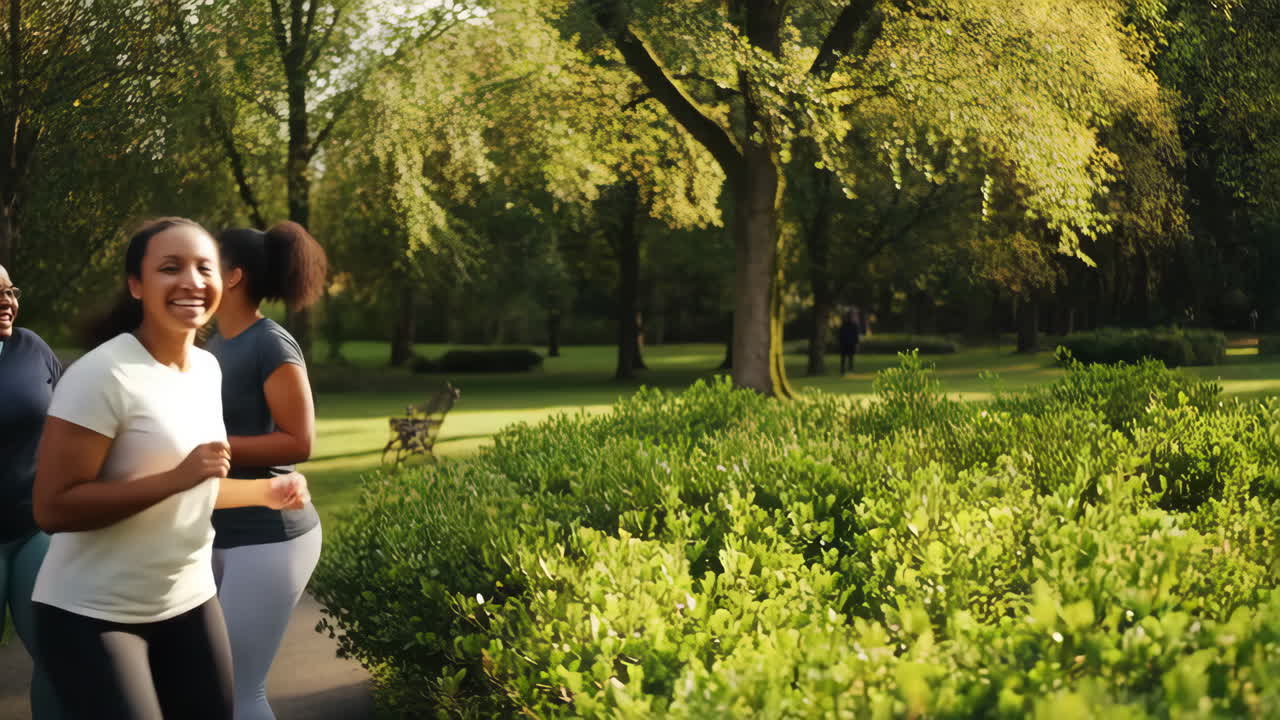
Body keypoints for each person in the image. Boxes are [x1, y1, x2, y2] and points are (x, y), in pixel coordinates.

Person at [30, 217, 310, 720]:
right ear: (136, 285)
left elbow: (194, 489)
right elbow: (53, 507)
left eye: (205, 267)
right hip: (92, 615)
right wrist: (176, 477)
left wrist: (263, 494)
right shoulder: (102, 374)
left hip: (188, 601)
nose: (192, 281)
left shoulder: (206, 369)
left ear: (224, 281)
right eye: (170, 267)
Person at [204, 221, 327, 720]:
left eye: (204, 262)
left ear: (232, 276)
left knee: (239, 692)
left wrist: (208, 448)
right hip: (214, 531)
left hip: (271, 536)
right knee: (207, 689)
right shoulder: (211, 345)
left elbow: (300, 440)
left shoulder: (269, 343)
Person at [0, 265, 63, 719]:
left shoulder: (32, 347)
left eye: (10, 291)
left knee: (58, 655)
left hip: (34, 530)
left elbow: (70, 423)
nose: (7, 301)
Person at [839, 310, 862, 374]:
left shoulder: (852, 326)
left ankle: (849, 368)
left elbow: (856, 336)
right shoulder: (845, 325)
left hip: (849, 344)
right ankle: (844, 369)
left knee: (849, 357)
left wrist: (856, 343)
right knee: (845, 358)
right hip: (845, 344)